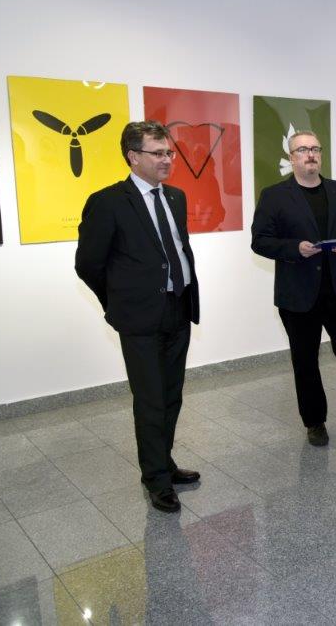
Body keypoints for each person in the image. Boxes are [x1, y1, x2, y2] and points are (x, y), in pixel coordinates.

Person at [75, 120, 201, 513]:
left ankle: (164, 462)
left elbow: (176, 249)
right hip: (139, 318)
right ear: (133, 156)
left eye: (169, 152)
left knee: (172, 395)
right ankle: (156, 479)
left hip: (179, 308)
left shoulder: (176, 197)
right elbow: (88, 264)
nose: (167, 160)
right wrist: (118, 303)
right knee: (150, 400)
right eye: (158, 153)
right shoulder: (109, 202)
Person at [250, 130, 336, 447]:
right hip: (298, 296)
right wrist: (294, 248)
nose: (310, 154)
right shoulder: (274, 196)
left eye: (315, 149)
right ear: (291, 158)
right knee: (306, 362)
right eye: (302, 150)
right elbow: (260, 241)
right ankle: (315, 422)